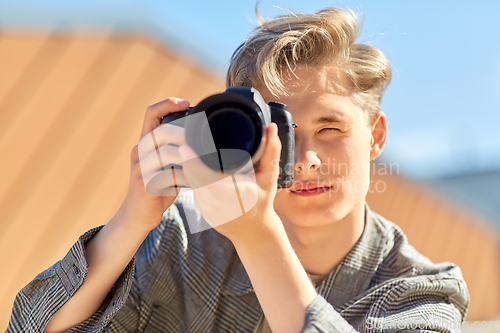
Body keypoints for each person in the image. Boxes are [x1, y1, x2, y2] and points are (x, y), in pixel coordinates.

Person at [7, 6, 469, 333]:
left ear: (375, 136)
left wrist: (256, 236)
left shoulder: (423, 290)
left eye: (330, 128)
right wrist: (134, 218)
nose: (306, 159)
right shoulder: (182, 241)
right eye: (282, 131)